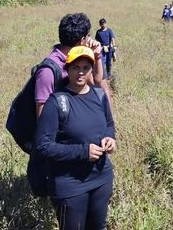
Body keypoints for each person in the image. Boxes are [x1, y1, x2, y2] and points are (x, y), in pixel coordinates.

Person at [35, 46, 115, 230]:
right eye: (75, 67)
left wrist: (110, 139)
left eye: (85, 67)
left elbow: (109, 124)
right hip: (69, 184)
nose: (80, 72)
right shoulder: (57, 102)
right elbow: (43, 145)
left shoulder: (99, 95)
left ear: (91, 69)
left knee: (98, 226)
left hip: (101, 177)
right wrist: (83, 151)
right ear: (67, 69)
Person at [35, 13, 103, 117]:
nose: (90, 39)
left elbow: (96, 82)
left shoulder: (80, 59)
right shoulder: (48, 71)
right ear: (82, 40)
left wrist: (97, 56)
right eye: (88, 36)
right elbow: (42, 116)